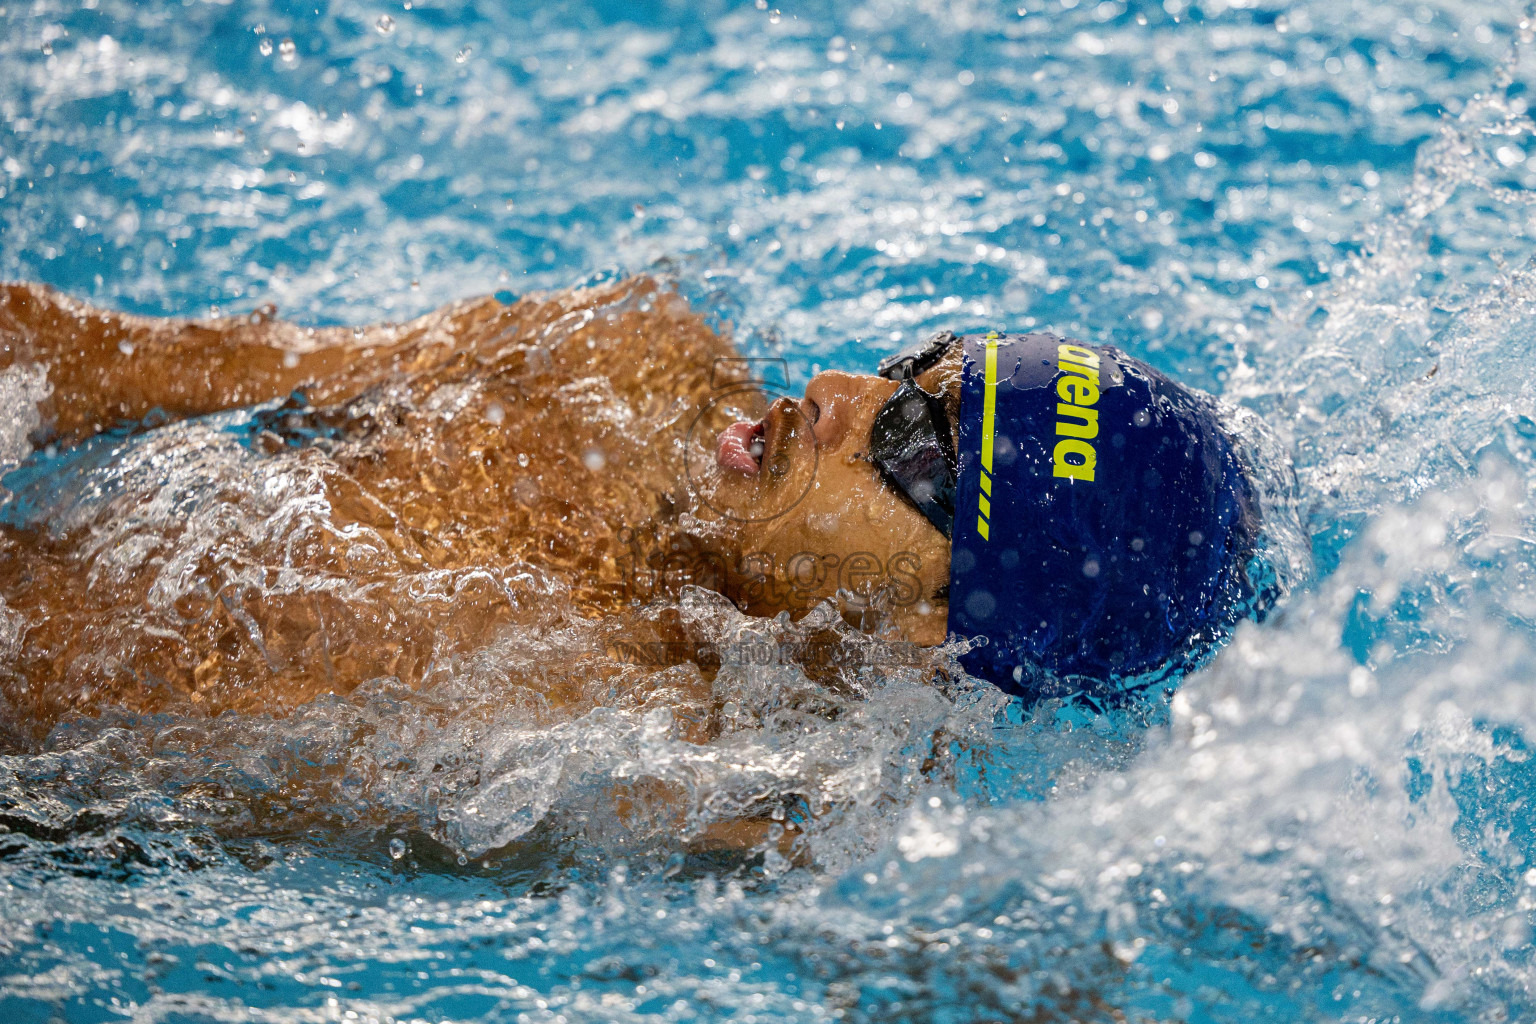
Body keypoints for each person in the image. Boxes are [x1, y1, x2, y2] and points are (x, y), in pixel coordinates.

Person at [0, 274, 1269, 745]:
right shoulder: (629, 359)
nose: (833, 392)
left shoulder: (628, 749)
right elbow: (98, 358)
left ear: (934, 631)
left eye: (913, 438)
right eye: (908, 369)